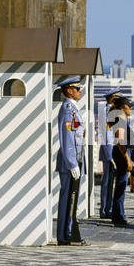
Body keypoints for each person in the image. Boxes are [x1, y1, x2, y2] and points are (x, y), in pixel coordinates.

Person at [55, 76, 87, 246]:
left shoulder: (73, 109)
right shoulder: (68, 109)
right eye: (77, 88)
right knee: (68, 197)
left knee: (71, 199)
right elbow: (67, 138)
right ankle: (64, 235)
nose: (80, 91)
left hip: (75, 160)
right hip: (70, 162)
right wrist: (72, 163)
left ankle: (69, 233)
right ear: (69, 90)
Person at [109, 96, 134, 225]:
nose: (130, 108)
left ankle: (119, 214)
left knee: (122, 184)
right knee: (121, 185)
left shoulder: (121, 118)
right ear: (121, 108)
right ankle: (118, 215)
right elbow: (120, 141)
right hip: (122, 153)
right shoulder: (119, 119)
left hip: (122, 152)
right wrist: (128, 160)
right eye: (128, 106)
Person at [98, 87, 120, 218]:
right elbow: (106, 134)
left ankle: (108, 208)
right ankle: (105, 209)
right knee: (107, 182)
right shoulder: (107, 112)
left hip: (113, 148)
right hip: (109, 150)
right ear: (112, 99)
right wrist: (109, 154)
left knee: (111, 181)